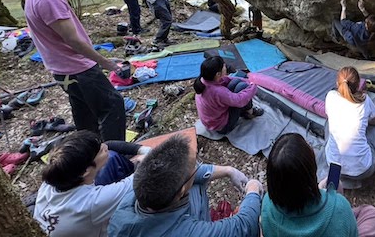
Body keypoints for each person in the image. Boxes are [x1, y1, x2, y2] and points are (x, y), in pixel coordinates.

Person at [22, 0, 125, 141]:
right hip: (78, 68)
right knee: (113, 106)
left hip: (64, 69)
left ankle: (90, 151)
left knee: (85, 113)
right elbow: (73, 40)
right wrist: (105, 63)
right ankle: (116, 154)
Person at [108, 134, 263, 236]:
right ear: (181, 191)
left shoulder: (136, 195)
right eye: (195, 167)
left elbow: (181, 173)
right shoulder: (187, 233)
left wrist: (229, 171)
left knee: (196, 182)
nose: (198, 168)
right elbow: (244, 224)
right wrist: (253, 190)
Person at [261, 133, 375, 237]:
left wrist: (320, 190)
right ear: (310, 170)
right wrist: (335, 207)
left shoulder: (267, 205)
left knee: (337, 187)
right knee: (372, 215)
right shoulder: (340, 209)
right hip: (337, 216)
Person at [34, 130, 150, 237]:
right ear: (86, 171)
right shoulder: (92, 203)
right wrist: (146, 156)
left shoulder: (54, 178)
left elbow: (107, 145)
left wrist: (141, 149)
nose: (105, 147)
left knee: (112, 158)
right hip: (91, 218)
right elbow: (141, 177)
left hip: (73, 221)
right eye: (101, 151)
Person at [325, 67, 375, 188]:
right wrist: (363, 121)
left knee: (328, 122)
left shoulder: (330, 96)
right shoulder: (365, 100)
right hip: (362, 170)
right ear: (358, 85)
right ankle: (356, 180)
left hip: (333, 165)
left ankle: (340, 179)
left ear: (337, 83)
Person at [194, 56, 263, 134]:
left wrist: (247, 80)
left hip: (211, 120)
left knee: (236, 82)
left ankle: (246, 111)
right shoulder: (217, 91)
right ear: (218, 74)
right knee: (243, 87)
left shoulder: (204, 80)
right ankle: (250, 112)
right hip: (221, 127)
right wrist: (253, 86)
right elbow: (239, 101)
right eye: (224, 66)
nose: (226, 67)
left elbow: (227, 80)